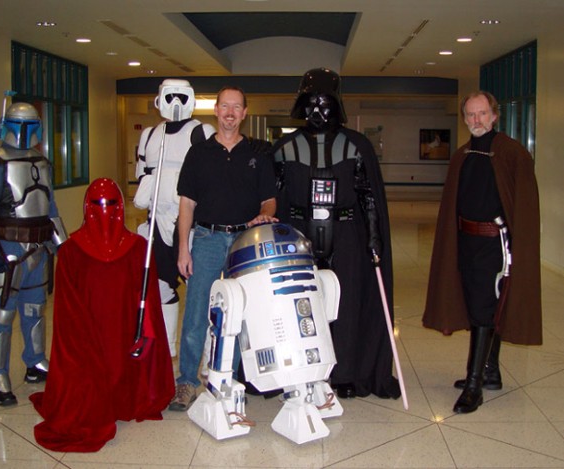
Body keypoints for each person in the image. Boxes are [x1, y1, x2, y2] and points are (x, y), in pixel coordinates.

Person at [272, 68, 400, 400]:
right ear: (301, 105)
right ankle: (302, 369)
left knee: (347, 304)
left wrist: (374, 238)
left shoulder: (357, 146)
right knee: (301, 305)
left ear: (337, 106)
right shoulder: (284, 148)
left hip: (346, 235)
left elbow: (368, 196)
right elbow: (272, 197)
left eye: (325, 104)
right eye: (311, 103)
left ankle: (345, 373)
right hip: (299, 235)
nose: (318, 111)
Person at [30, 178, 174, 452]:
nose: (104, 210)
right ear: (87, 207)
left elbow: (150, 306)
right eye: (98, 205)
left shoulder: (138, 249)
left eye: (111, 204)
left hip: (125, 337)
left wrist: (145, 335)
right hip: (89, 340)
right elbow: (66, 311)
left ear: (120, 207)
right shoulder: (72, 251)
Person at [422, 91, 542, 414]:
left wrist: (519, 250)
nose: (476, 121)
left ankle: (474, 385)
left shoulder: (512, 154)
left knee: (484, 309)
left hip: (495, 245)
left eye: (482, 114)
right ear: (465, 119)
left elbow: (525, 209)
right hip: (465, 242)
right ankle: (491, 371)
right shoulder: (462, 155)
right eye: (471, 115)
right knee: (480, 305)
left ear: (494, 115)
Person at [169, 86, 278, 411]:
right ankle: (187, 382)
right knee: (197, 312)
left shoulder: (258, 154)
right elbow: (186, 204)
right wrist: (183, 250)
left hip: (244, 242)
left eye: (237, 107)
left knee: (239, 313)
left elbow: (269, 199)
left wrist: (266, 214)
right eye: (225, 106)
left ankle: (224, 378)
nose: (230, 113)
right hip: (206, 240)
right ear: (215, 110)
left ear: (244, 113)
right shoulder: (199, 153)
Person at [0, 101, 68, 406]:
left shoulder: (41, 161)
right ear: (7, 125)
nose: (26, 132)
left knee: (34, 310)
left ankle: (35, 361)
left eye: (31, 125)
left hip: (38, 250)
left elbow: (48, 207)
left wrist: (63, 243)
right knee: (1, 312)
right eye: (20, 125)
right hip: (8, 249)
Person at [134, 79, 215, 357]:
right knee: (161, 287)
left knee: (202, 292)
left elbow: (212, 183)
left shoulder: (202, 132)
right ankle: (167, 349)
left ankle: (207, 355)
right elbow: (142, 177)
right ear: (160, 99)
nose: (177, 103)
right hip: (156, 220)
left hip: (192, 223)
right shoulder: (149, 135)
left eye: (183, 96)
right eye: (172, 96)